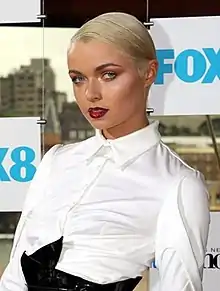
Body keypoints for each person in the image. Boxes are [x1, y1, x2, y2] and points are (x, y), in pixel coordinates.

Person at [0, 12, 210, 291]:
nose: (91, 94)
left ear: (149, 73)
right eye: (78, 79)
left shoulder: (179, 184)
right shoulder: (56, 161)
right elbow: (15, 273)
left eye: (108, 75)